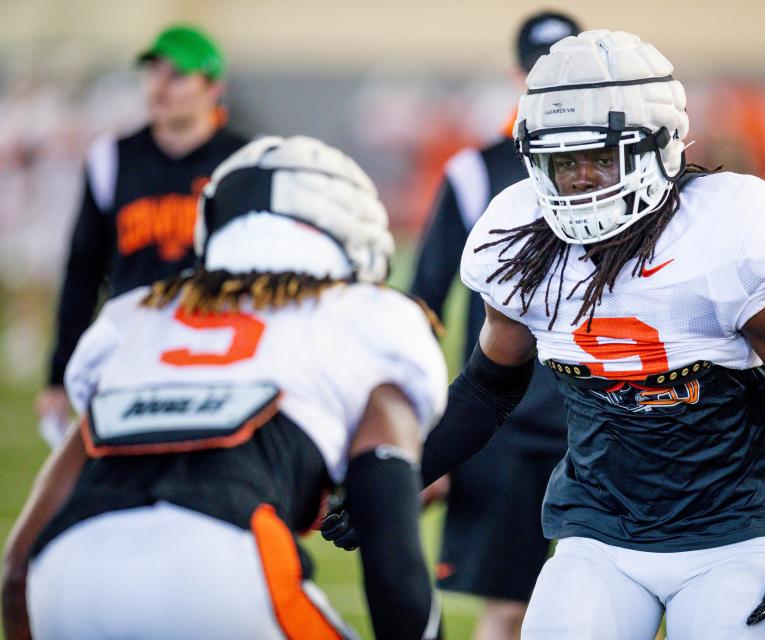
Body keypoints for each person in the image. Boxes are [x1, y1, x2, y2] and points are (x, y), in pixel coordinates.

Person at [326, 30, 765, 639]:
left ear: (659, 147)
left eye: (600, 158)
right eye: (563, 161)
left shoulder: (727, 238)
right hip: (597, 533)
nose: (581, 180)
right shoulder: (519, 240)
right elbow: (487, 390)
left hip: (729, 536)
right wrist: (400, 482)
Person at [2, 136, 448, 640]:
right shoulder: (369, 318)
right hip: (222, 562)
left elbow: (17, 568)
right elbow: (396, 575)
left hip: (66, 570)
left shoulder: (134, 318)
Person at [409, 10, 580, 640]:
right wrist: (431, 436)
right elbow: (422, 305)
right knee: (509, 607)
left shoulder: (625, 160)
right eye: (542, 67)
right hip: (503, 425)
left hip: (611, 412)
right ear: (516, 73)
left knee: (627, 601)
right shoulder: (476, 171)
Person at [36, 24, 248, 446]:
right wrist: (59, 374)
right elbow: (82, 269)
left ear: (212, 86)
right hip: (131, 346)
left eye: (177, 75)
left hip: (214, 348)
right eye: (153, 72)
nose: (160, 87)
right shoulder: (111, 158)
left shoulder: (244, 162)